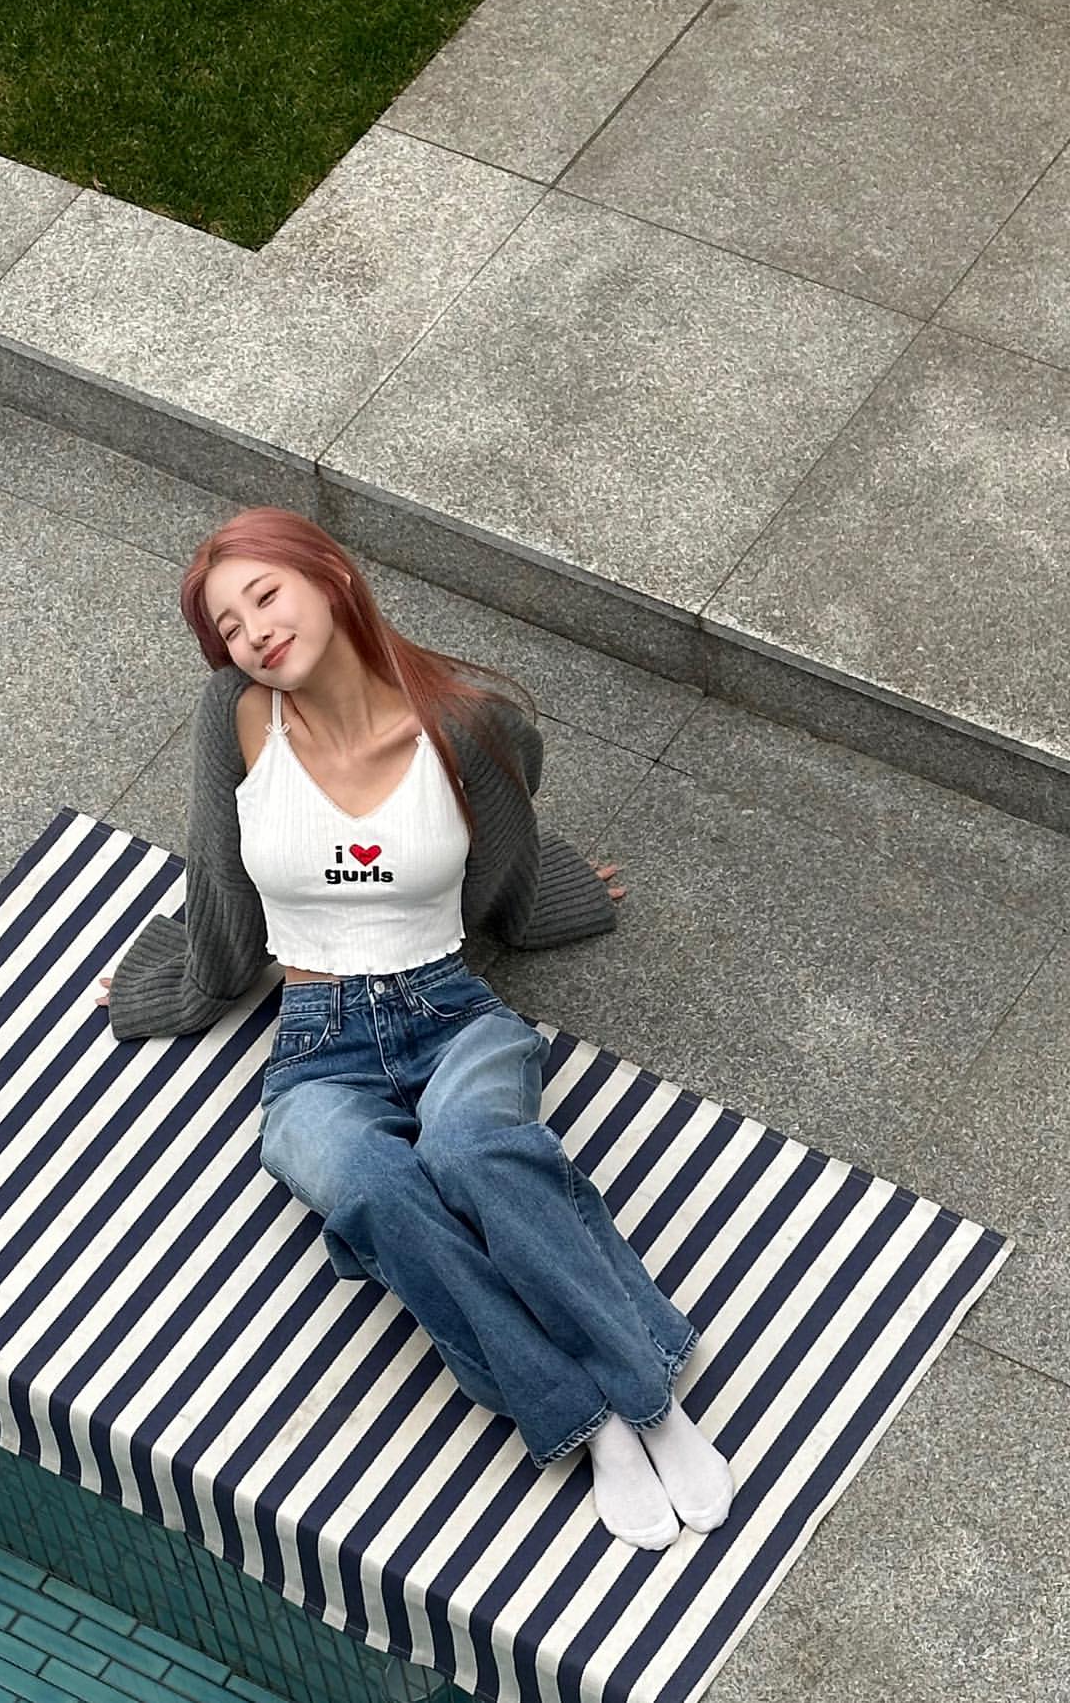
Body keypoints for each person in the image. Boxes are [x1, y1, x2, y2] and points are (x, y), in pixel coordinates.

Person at [97, 506, 733, 1550]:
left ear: (331, 577)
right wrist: (182, 980)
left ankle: (651, 1398)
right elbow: (219, 874)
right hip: (314, 1046)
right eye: (228, 625)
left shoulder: (468, 723)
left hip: (449, 1010)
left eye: (265, 595)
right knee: (375, 1187)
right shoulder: (239, 716)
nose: (253, 633)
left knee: (474, 1150)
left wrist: (542, 896)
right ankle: (593, 1419)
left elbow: (505, 846)